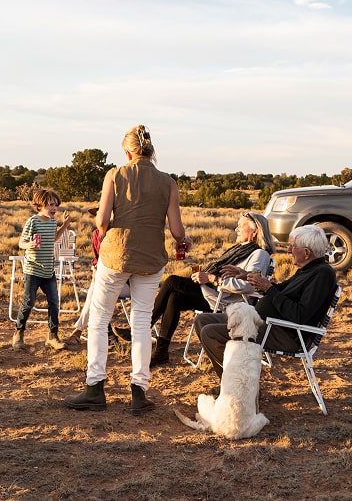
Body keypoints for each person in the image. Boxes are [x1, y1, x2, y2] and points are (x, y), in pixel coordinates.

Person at [64, 124, 189, 415]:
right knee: (142, 322)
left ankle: (95, 387)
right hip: (150, 259)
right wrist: (184, 241)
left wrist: (106, 224)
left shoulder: (115, 175)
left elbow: (102, 220)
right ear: (151, 151)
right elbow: (177, 230)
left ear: (127, 151)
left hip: (116, 255)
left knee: (98, 319)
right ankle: (139, 391)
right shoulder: (168, 182)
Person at [195, 224, 337, 382]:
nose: (289, 250)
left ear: (306, 252)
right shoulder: (308, 270)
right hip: (266, 323)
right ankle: (234, 382)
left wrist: (269, 288)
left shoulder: (322, 274)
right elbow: (280, 290)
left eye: (292, 246)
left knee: (211, 333)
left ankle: (239, 384)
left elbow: (299, 315)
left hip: (285, 333)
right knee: (202, 320)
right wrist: (247, 276)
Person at [140, 211, 275, 366]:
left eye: (240, 226)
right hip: (214, 294)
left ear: (255, 231)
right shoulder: (240, 249)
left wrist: (213, 279)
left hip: (226, 301)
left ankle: (142, 328)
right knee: (174, 298)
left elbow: (249, 286)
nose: (236, 230)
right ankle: (161, 352)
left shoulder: (259, 254)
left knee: (171, 281)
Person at [12, 188, 71, 351]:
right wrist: (28, 245)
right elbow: (21, 242)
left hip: (48, 270)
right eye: (49, 205)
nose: (53, 208)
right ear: (39, 206)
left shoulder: (52, 221)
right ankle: (19, 334)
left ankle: (52, 336)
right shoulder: (33, 221)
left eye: (55, 205)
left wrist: (65, 225)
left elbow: (53, 239)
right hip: (33, 269)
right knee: (29, 301)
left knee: (54, 302)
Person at [65, 207, 129, 346]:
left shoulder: (122, 234)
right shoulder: (96, 234)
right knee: (98, 287)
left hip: (126, 282)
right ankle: (107, 334)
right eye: (99, 215)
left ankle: (79, 330)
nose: (102, 218)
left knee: (97, 290)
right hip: (104, 279)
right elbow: (97, 259)